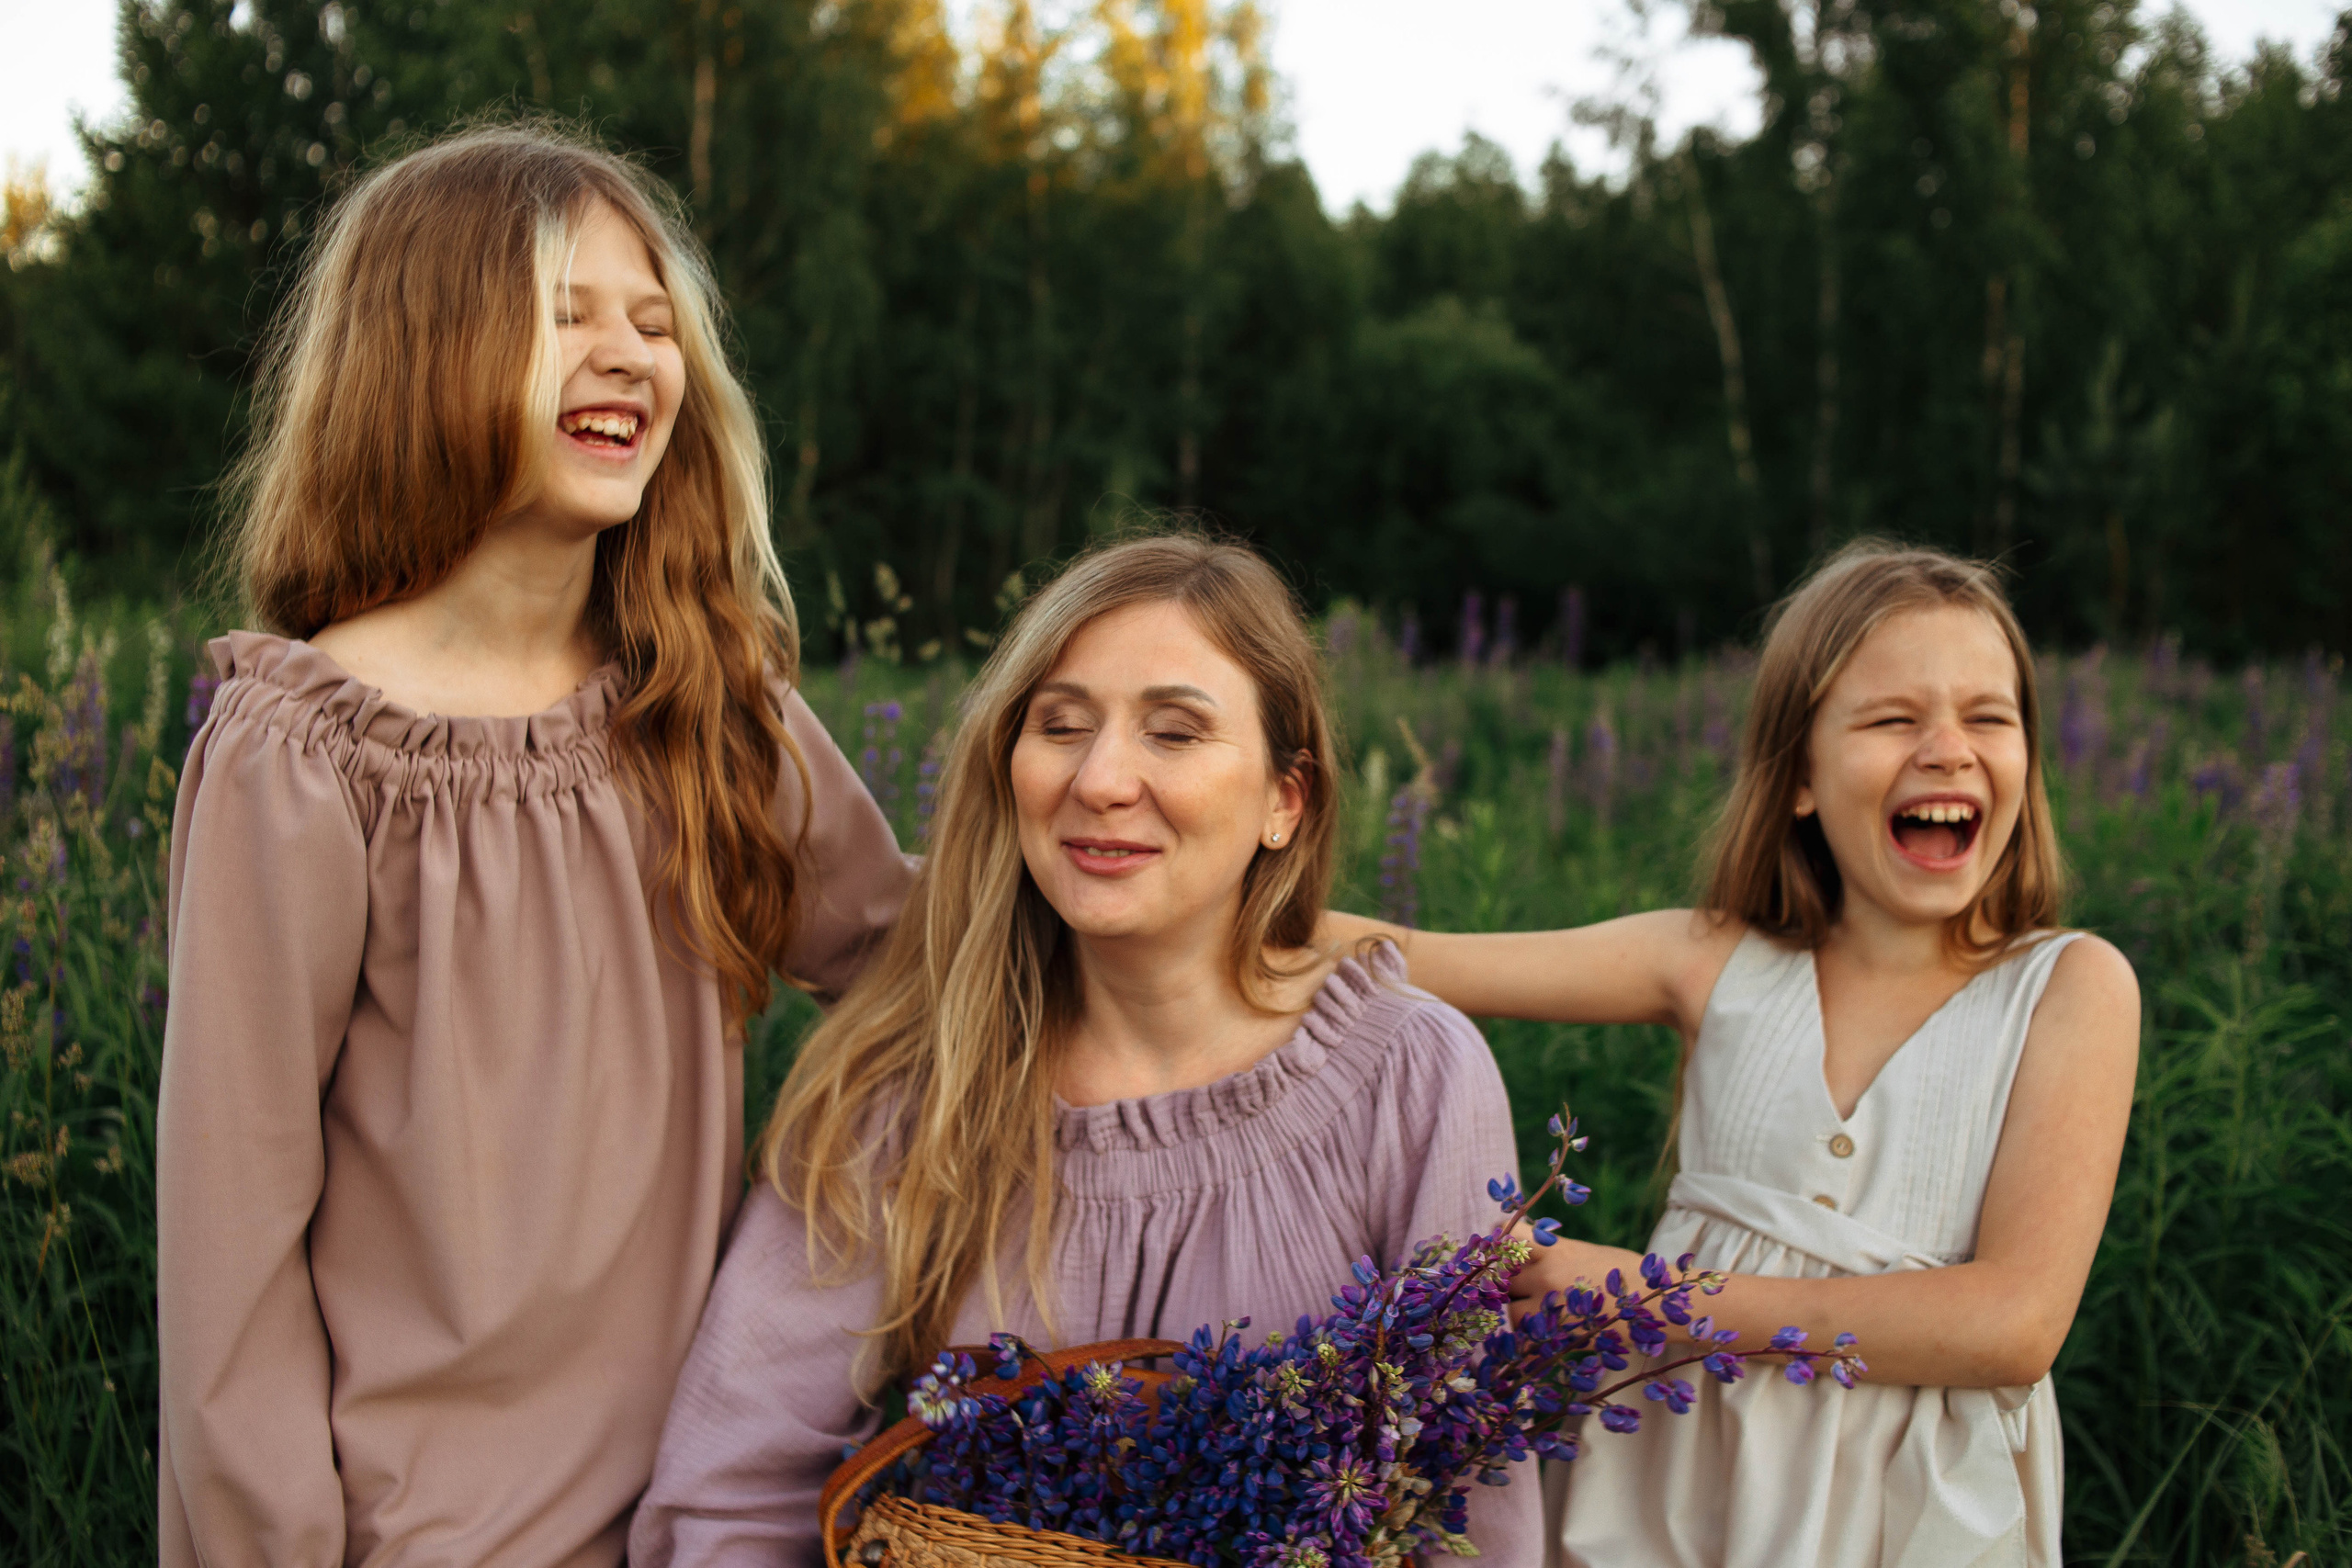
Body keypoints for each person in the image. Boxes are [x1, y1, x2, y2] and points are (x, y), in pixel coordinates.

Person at [157, 125, 914, 1567]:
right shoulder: (311, 752)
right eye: (566, 315)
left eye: (654, 319)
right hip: (427, 1532)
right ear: (425, 351)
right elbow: (229, 1255)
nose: (631, 352)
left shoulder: (707, 703)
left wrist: (1191, 911)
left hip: (714, 1511)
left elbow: (906, 942)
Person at [628, 533, 1544, 1566]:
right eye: (1060, 725)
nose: (1102, 779)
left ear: (1285, 801)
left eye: (1175, 733)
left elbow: (1467, 1516)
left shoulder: (1409, 1076)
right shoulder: (910, 1079)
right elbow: (730, 1487)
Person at [1344, 542, 2140, 1567]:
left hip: (1918, 1520)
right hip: (1669, 1495)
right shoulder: (1714, 957)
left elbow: (2011, 1325)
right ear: (1799, 778)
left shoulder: (2068, 987)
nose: (1947, 747)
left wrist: (1644, 1297)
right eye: (1894, 718)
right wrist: (1192, 897)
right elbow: (1404, 960)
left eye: (1989, 716)